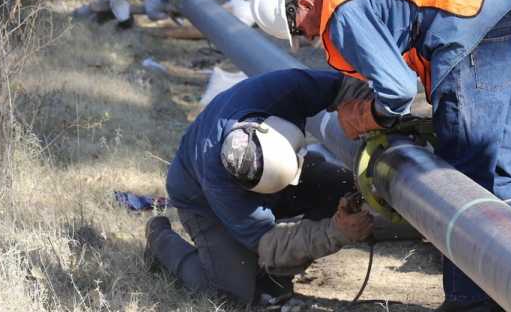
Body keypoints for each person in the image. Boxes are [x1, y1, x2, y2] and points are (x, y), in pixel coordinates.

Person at [249, 0, 511, 312]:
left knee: (463, 175)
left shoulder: (341, 10)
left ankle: (470, 301)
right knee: (504, 161)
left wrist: (368, 115)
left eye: (301, 32)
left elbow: (398, 89)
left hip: (466, 23)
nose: (310, 39)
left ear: (304, 5)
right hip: (497, 3)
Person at [143, 69, 374, 305]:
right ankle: (160, 240)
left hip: (266, 173)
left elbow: (348, 86)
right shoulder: (221, 185)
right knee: (231, 294)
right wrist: (335, 232)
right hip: (202, 201)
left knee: (340, 185)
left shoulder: (282, 90)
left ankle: (275, 276)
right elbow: (267, 243)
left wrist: (372, 116)